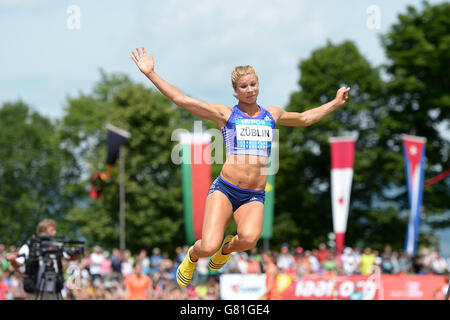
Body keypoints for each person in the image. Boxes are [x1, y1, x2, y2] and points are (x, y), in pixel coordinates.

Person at [131, 46, 350, 287]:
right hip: (225, 189)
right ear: (235, 91)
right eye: (243, 87)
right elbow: (181, 100)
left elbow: (306, 118)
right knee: (208, 246)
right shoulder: (226, 115)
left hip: (253, 194)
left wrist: (335, 103)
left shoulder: (272, 115)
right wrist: (150, 74)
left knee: (248, 240)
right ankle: (193, 255)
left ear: (258, 85)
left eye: (253, 84)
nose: (249, 90)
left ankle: (226, 250)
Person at [7, 219, 79, 299]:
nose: (55, 232)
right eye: (52, 230)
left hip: (54, 292)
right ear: (43, 231)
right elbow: (17, 265)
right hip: (34, 293)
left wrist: (77, 252)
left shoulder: (57, 246)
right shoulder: (30, 246)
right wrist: (12, 260)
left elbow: (71, 258)